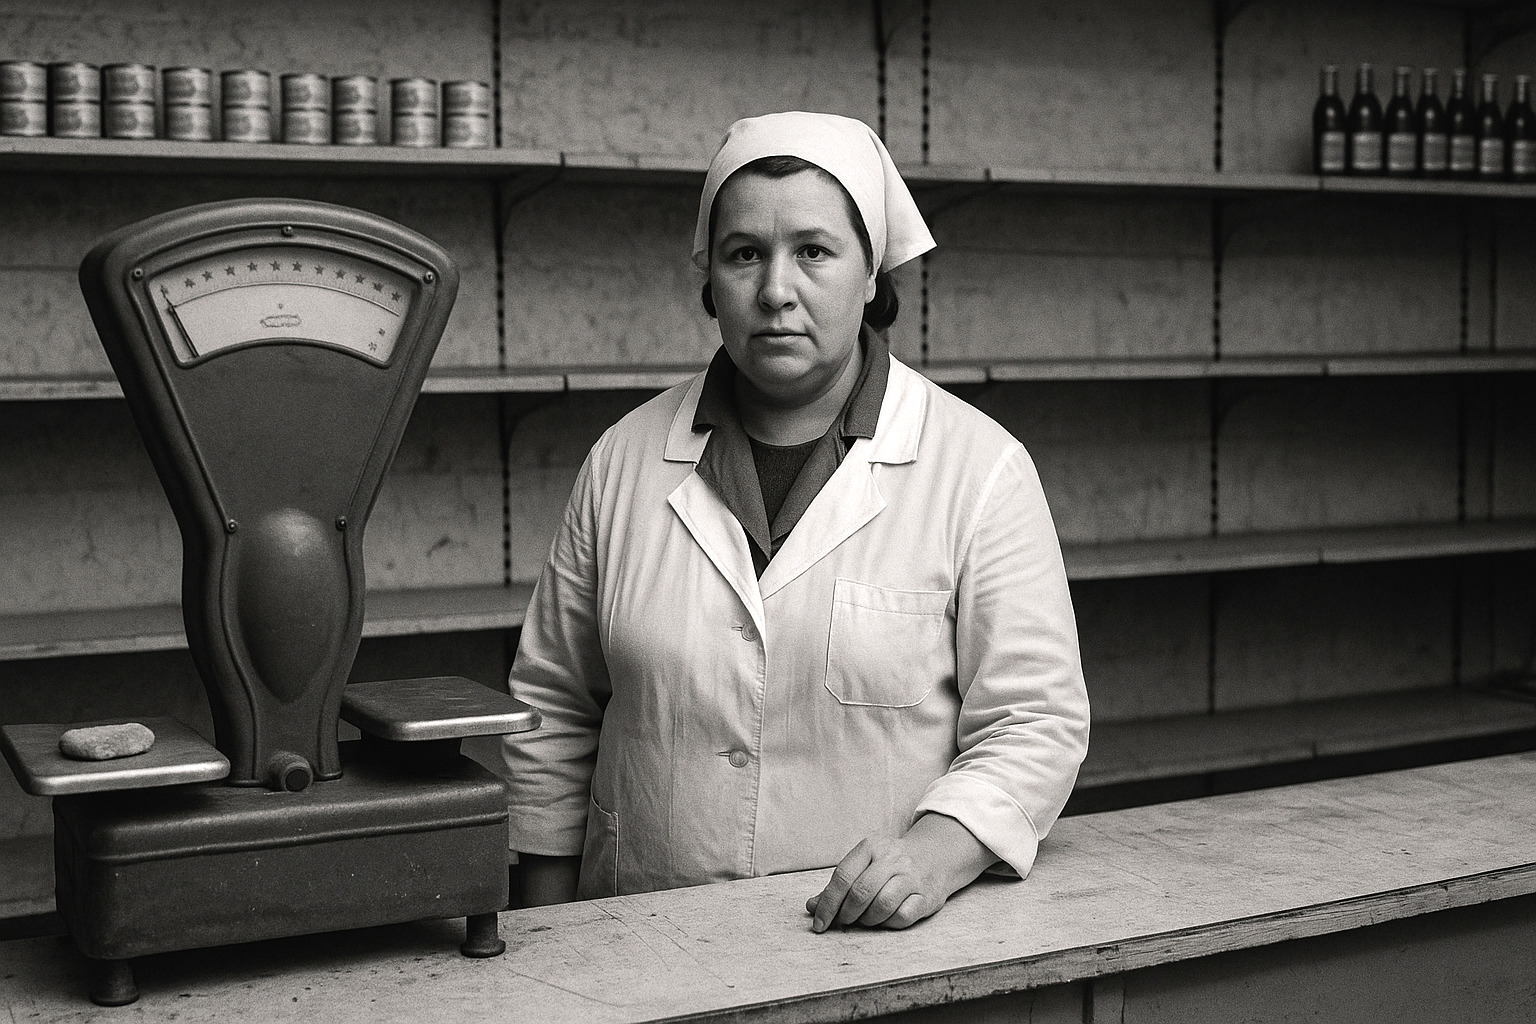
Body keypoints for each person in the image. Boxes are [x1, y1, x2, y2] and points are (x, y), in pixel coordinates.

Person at [490, 111, 1089, 931]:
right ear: (711, 282)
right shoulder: (622, 462)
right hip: (638, 939)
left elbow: (1035, 721)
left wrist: (935, 853)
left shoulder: (977, 469)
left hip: (874, 945)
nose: (776, 290)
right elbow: (554, 710)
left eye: (813, 251)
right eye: (745, 254)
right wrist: (545, 938)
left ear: (871, 273)